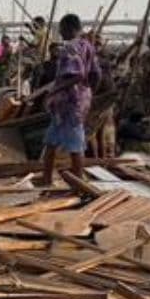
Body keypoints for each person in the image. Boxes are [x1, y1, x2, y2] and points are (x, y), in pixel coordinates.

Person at [41, 13, 100, 187]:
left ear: (69, 28)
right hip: (73, 103)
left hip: (69, 104)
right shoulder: (88, 46)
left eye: (61, 29)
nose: (60, 33)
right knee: (50, 141)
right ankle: (46, 181)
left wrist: (54, 90)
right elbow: (96, 74)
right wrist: (88, 93)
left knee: (75, 145)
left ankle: (78, 184)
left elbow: (77, 75)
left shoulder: (70, 48)